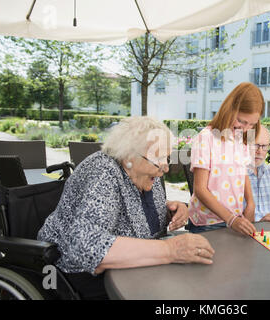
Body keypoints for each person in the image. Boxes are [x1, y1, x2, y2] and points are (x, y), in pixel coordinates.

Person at [37, 116, 215, 300]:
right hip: (76, 271)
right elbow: (87, 245)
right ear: (130, 155)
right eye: (159, 159)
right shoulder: (102, 171)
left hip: (130, 268)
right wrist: (171, 250)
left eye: (167, 158)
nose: (166, 168)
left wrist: (170, 210)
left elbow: (136, 215)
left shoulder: (143, 172)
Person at [187, 82, 263, 236]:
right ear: (229, 110)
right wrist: (231, 219)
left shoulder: (240, 138)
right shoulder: (206, 138)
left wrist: (251, 203)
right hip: (207, 224)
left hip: (233, 219)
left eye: (252, 124)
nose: (246, 128)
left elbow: (243, 172)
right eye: (242, 121)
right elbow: (200, 190)